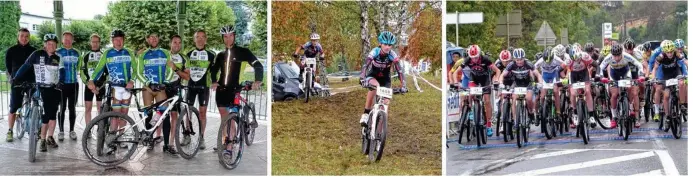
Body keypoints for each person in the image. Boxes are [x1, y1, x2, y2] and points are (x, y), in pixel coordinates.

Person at [209, 25, 263, 152]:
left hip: (236, 89)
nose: (228, 39)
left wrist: (258, 80)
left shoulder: (244, 52)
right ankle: (225, 140)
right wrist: (214, 81)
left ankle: (229, 145)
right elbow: (214, 70)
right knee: (224, 118)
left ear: (234, 36)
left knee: (232, 116)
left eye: (230, 36)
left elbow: (258, 65)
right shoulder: (220, 55)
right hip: (222, 89)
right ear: (223, 38)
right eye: (225, 37)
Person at [12, 34, 63, 151]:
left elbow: (62, 71)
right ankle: (43, 139)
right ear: (45, 45)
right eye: (49, 43)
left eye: (53, 44)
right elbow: (26, 66)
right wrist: (16, 78)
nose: (51, 46)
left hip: (54, 88)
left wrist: (61, 81)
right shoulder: (36, 54)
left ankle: (50, 137)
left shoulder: (59, 57)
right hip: (40, 87)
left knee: (53, 114)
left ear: (56, 46)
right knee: (45, 115)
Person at [88, 30, 136, 148]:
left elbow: (135, 69)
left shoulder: (129, 52)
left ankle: (121, 137)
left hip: (127, 88)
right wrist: (91, 80)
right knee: (115, 114)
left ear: (124, 40)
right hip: (115, 88)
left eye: (120, 39)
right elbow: (99, 68)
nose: (118, 42)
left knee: (124, 114)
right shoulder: (107, 53)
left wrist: (132, 80)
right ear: (112, 41)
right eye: (116, 40)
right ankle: (113, 137)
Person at [358, 31, 408, 127]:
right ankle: (366, 113)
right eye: (385, 44)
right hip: (373, 76)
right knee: (375, 87)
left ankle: (380, 131)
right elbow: (365, 65)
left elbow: (400, 71)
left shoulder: (392, 55)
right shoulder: (375, 52)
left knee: (386, 102)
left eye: (390, 45)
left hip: (385, 79)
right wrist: (362, 77)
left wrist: (404, 85)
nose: (387, 47)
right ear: (380, 43)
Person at [135, 33, 175, 152]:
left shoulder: (165, 53)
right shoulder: (143, 54)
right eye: (151, 37)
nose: (153, 39)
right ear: (147, 39)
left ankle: (167, 145)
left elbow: (170, 69)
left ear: (159, 38)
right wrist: (148, 83)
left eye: (156, 37)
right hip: (148, 88)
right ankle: (150, 140)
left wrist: (165, 82)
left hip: (160, 88)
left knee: (164, 114)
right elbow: (138, 72)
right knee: (148, 114)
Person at [452, 44, 500, 136]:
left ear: (479, 55)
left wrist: (496, 80)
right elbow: (455, 73)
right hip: (473, 77)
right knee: (470, 93)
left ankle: (489, 125)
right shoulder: (467, 60)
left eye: (476, 57)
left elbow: (497, 71)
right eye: (472, 58)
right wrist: (455, 83)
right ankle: (470, 111)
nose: (474, 60)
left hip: (485, 79)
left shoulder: (485, 59)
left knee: (487, 101)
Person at [598, 43, 644, 128]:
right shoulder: (609, 57)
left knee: (630, 87)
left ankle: (630, 106)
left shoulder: (626, 56)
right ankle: (614, 117)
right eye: (614, 56)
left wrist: (641, 74)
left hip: (625, 73)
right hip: (614, 75)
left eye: (618, 55)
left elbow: (639, 64)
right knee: (614, 95)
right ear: (612, 54)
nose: (616, 58)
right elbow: (601, 67)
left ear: (621, 53)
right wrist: (601, 76)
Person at [185, 30, 216, 149]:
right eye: (197, 37)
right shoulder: (188, 54)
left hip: (204, 87)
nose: (200, 39)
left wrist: (214, 81)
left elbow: (214, 70)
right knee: (188, 112)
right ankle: (186, 134)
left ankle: (201, 137)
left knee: (202, 113)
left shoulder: (211, 54)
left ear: (206, 39)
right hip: (191, 86)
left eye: (203, 37)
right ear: (194, 39)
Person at [5, 28, 36, 142]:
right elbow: (8, 68)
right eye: (22, 36)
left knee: (35, 104)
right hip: (17, 83)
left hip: (31, 82)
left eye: (27, 36)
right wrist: (12, 79)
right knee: (13, 108)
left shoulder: (34, 51)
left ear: (29, 38)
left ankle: (33, 126)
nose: (24, 38)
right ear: (18, 37)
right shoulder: (11, 50)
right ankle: (10, 130)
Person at [500, 48, 540, 133]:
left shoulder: (528, 63)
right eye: (517, 60)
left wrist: (540, 82)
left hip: (527, 84)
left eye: (521, 59)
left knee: (529, 98)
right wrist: (500, 83)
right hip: (517, 84)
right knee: (514, 99)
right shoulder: (511, 65)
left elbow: (537, 74)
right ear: (514, 59)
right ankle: (515, 121)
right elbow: (503, 74)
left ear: (524, 58)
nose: (519, 62)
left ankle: (531, 112)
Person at [650, 40, 687, 128]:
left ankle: (682, 105)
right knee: (666, 96)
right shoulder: (660, 56)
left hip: (676, 72)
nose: (670, 54)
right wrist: (653, 78)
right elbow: (655, 68)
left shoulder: (677, 53)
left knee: (682, 83)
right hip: (666, 75)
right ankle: (667, 116)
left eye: (671, 52)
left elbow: (686, 62)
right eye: (668, 52)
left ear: (673, 50)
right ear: (664, 51)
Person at [164, 34, 190, 154]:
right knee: (161, 114)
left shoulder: (184, 58)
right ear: (170, 43)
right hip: (162, 88)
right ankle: (158, 138)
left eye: (179, 43)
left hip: (175, 88)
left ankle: (171, 144)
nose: (177, 45)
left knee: (174, 116)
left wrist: (175, 68)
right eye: (175, 42)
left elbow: (187, 77)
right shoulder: (163, 55)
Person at [79, 34, 107, 137]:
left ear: (99, 43)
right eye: (93, 42)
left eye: (96, 42)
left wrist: (100, 86)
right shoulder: (85, 56)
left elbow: (107, 73)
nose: (94, 44)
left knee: (100, 109)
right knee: (88, 108)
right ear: (90, 42)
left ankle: (100, 129)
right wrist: (88, 83)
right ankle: (88, 130)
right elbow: (82, 72)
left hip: (101, 86)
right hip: (89, 86)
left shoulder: (104, 55)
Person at [56, 31, 80, 141]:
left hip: (74, 84)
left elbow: (79, 67)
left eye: (70, 39)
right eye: (65, 39)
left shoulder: (77, 53)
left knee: (72, 108)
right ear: (62, 40)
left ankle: (72, 130)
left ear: (72, 40)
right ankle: (61, 131)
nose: (67, 41)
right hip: (62, 85)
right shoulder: (57, 52)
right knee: (62, 108)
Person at [536, 45, 567, 126]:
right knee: (542, 96)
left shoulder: (556, 58)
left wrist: (562, 74)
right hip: (545, 75)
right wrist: (537, 77)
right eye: (546, 61)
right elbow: (533, 68)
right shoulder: (541, 60)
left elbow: (564, 65)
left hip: (554, 75)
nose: (548, 63)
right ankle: (542, 110)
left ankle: (558, 112)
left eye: (550, 61)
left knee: (556, 91)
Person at [565, 52, 598, 128]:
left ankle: (591, 116)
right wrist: (562, 79)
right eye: (575, 59)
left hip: (584, 74)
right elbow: (560, 70)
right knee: (573, 94)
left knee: (587, 91)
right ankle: (575, 114)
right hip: (573, 76)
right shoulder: (568, 60)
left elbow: (596, 65)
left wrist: (597, 75)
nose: (577, 61)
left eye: (578, 59)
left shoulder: (585, 56)